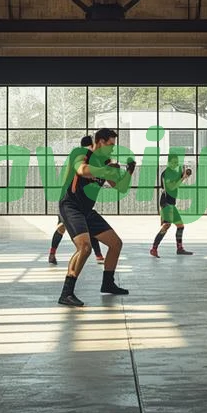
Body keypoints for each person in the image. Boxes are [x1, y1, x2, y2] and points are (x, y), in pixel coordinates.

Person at [57, 128, 135, 307]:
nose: (112, 149)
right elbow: (82, 170)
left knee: (116, 244)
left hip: (87, 210)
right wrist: (105, 170)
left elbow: (121, 187)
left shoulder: (105, 162)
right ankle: (66, 293)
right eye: (110, 145)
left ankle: (108, 283)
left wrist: (129, 172)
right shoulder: (81, 153)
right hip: (70, 206)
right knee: (85, 247)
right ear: (100, 141)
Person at [48, 135, 103, 264]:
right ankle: (98, 255)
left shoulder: (82, 156)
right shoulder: (82, 156)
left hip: (73, 199)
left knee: (63, 227)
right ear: (91, 145)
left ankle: (52, 253)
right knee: (66, 227)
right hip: (70, 200)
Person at [151, 152, 193, 257]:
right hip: (166, 202)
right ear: (168, 162)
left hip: (171, 203)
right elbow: (172, 187)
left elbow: (179, 179)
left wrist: (185, 174)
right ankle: (154, 249)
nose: (175, 164)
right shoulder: (166, 173)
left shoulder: (174, 173)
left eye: (176, 163)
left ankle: (180, 249)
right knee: (167, 225)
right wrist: (183, 178)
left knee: (180, 226)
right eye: (173, 162)